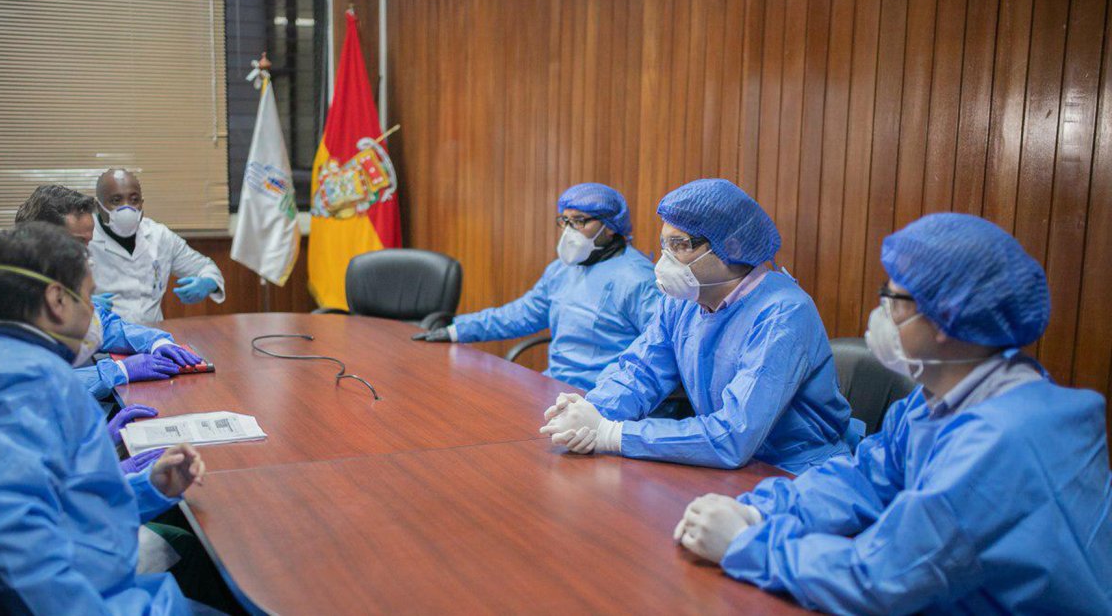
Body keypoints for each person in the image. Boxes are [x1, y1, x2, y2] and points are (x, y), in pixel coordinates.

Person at [674, 212, 1112, 614]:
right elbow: (864, 478)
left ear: (945, 319)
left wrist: (748, 544)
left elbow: (882, 578)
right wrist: (759, 510)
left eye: (894, 300)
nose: (881, 314)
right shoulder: (941, 399)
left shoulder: (1004, 440)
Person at [0, 222, 207, 613]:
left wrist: (143, 488)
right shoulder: (32, 381)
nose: (93, 315)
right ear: (56, 299)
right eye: (87, 297)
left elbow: (58, 504)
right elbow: (5, 534)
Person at [540, 179, 856, 474]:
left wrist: (612, 433)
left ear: (730, 246)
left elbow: (734, 434)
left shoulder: (783, 313)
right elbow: (640, 372)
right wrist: (590, 411)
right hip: (720, 464)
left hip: (795, 470)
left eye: (680, 245)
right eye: (664, 246)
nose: (666, 260)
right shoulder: (683, 301)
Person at [412, 183, 661, 392]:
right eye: (565, 221)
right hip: (554, 388)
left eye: (579, 221)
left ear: (609, 227)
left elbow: (658, 353)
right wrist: (457, 330)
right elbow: (520, 314)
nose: (569, 231)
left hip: (604, 398)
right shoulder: (562, 269)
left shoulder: (638, 279)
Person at [15, 185, 204, 399]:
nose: (86, 255)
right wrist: (119, 371)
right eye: (77, 243)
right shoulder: (7, 298)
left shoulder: (55, 281)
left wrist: (156, 342)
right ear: (37, 240)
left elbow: (104, 325)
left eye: (88, 243)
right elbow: (33, 387)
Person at [88, 169, 225, 323]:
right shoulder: (81, 239)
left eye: (134, 200)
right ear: (98, 206)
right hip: (102, 338)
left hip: (154, 337)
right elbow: (58, 294)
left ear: (142, 203)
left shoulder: (160, 236)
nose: (127, 208)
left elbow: (207, 268)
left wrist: (208, 283)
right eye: (116, 200)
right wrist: (80, 303)